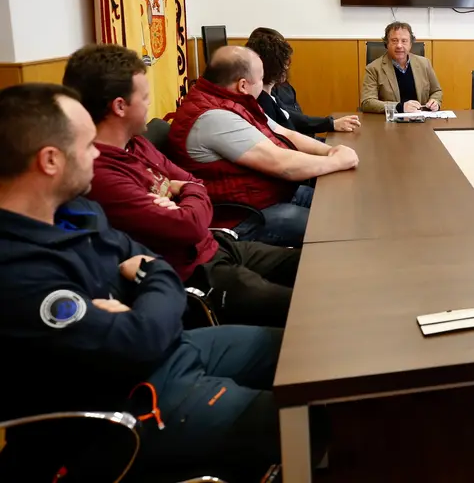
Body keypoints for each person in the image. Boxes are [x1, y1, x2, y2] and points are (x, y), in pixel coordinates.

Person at [0, 83, 304, 481]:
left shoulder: (76, 211)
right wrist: (145, 288)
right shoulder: (17, 272)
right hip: (133, 402)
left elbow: (156, 267)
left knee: (306, 347)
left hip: (173, 346)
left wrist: (144, 287)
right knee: (319, 414)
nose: (97, 153)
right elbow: (139, 336)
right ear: (51, 160)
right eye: (87, 144)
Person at [63, 44, 300, 327]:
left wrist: (187, 191)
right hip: (193, 273)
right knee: (302, 307)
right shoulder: (101, 174)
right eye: (145, 97)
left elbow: (195, 184)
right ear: (120, 106)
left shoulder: (136, 144)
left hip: (217, 245)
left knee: (310, 264)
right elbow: (187, 225)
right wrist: (186, 193)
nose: (150, 104)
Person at [168, 46, 359, 245]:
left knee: (344, 205)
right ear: (243, 85)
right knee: (336, 226)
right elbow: (283, 166)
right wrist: (336, 161)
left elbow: (282, 132)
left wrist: (330, 150)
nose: (264, 84)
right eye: (260, 79)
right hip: (242, 216)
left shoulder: (232, 100)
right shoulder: (214, 118)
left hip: (266, 195)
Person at [245, 33, 360, 135]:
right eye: (284, 63)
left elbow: (291, 121)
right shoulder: (262, 103)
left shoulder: (271, 97)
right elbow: (288, 142)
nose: (287, 67)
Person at [360, 21, 443, 113]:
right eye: (394, 41)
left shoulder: (424, 63)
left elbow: (436, 91)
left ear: (410, 44)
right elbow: (367, 102)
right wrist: (399, 107)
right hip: (390, 123)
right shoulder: (373, 68)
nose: (399, 45)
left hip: (421, 121)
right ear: (386, 44)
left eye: (404, 41)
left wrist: (435, 101)